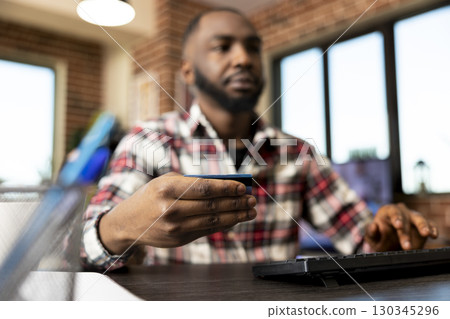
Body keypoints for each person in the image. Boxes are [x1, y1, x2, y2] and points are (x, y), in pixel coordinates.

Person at [80, 8, 438, 270]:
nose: (244, 59)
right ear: (187, 71)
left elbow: (362, 238)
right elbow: (83, 246)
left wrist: (388, 237)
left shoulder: (297, 153)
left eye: (252, 48)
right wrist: (122, 226)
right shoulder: (149, 139)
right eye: (223, 47)